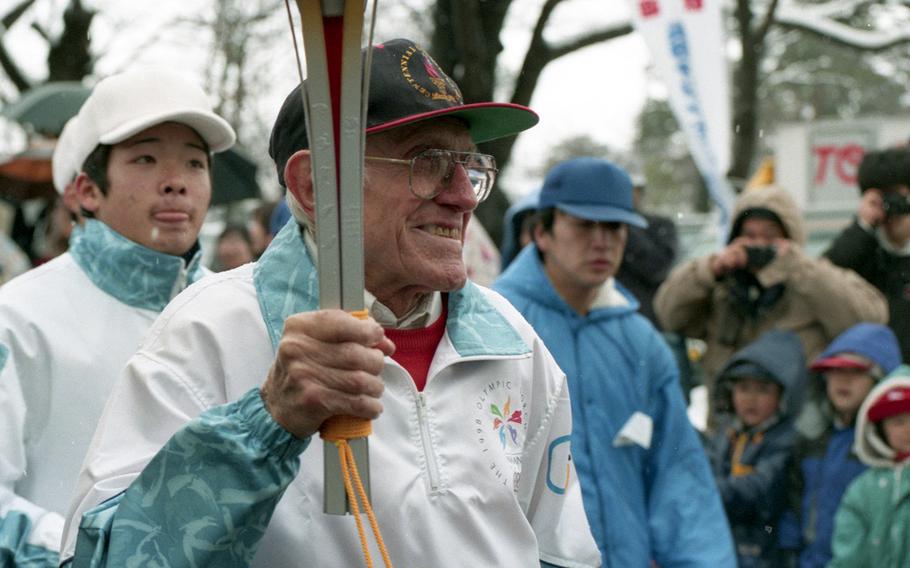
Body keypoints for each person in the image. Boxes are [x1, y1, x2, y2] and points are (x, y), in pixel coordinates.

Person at [60, 39, 600, 568]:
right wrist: (267, 421)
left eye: (469, 165)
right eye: (430, 162)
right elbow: (102, 557)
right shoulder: (210, 332)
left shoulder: (512, 342)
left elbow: (560, 551)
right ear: (316, 183)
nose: (462, 195)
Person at [0, 67, 235, 565]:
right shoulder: (18, 318)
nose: (175, 183)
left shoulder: (238, 311)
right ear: (87, 190)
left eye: (194, 163)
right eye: (146, 159)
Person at [494, 157, 735, 567]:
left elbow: (677, 473)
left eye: (615, 227)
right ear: (541, 233)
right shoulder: (495, 326)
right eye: (585, 225)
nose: (602, 240)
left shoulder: (642, 342)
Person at [654, 184, 888, 399]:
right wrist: (710, 269)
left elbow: (869, 320)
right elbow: (668, 313)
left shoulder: (812, 284)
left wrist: (798, 267)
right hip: (728, 435)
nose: (758, 245)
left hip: (797, 434)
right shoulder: (723, 289)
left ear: (790, 238)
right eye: (749, 236)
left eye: (770, 237)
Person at [777, 322, 902, 568]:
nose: (842, 381)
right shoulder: (810, 437)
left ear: (881, 380)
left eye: (855, 372)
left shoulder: (892, 446)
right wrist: (787, 552)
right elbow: (792, 500)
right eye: (834, 371)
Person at [707, 329, 804, 568]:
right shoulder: (726, 433)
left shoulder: (785, 440)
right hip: (727, 543)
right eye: (743, 388)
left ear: (783, 396)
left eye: (762, 390)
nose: (751, 399)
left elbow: (761, 486)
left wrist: (706, 491)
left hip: (768, 549)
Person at [824, 147, 910, 361]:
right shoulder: (861, 252)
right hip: (867, 373)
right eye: (884, 198)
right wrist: (863, 226)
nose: (893, 207)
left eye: (900, 197)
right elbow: (824, 280)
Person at [830, 366, 910, 566]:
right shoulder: (862, 489)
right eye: (898, 422)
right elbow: (848, 555)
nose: (908, 430)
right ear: (880, 430)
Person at [615, 175, 677, 327]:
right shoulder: (603, 225)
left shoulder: (659, 225)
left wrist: (626, 229)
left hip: (649, 317)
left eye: (633, 190)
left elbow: (657, 268)